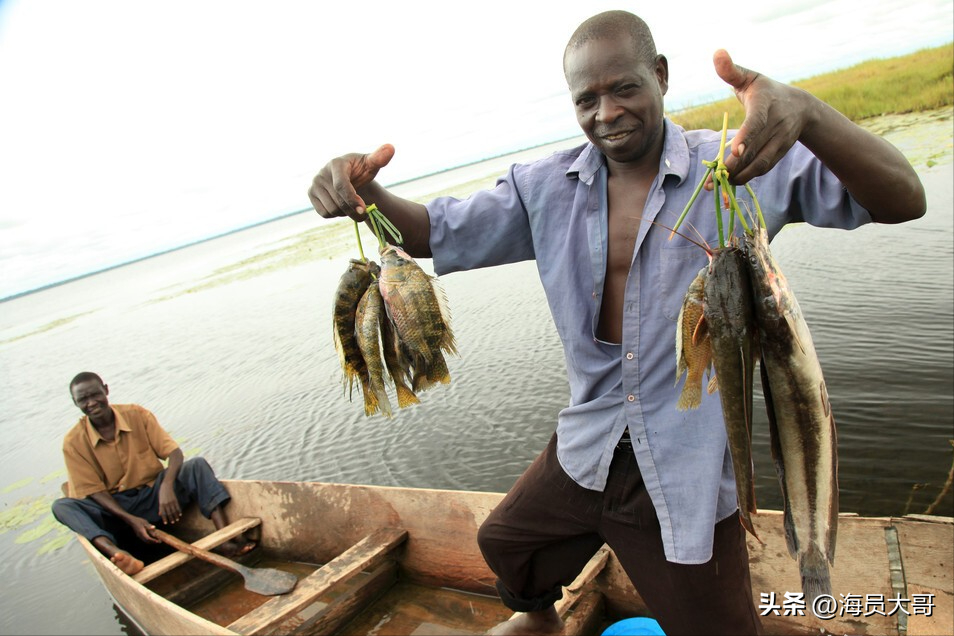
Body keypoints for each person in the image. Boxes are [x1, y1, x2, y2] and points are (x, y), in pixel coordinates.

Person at [307, 10, 925, 636]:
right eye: (587, 99)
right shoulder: (543, 187)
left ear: (659, 76)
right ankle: (538, 618)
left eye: (625, 88)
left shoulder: (739, 166)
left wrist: (811, 116)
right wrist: (365, 194)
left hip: (683, 461)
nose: (607, 112)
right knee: (505, 543)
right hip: (591, 439)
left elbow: (902, 198)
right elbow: (429, 231)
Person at [52, 372, 255, 576]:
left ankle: (226, 538)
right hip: (116, 511)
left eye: (95, 395)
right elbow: (95, 492)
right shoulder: (74, 442)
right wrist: (131, 519)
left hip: (155, 498)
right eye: (83, 400)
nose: (92, 403)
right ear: (75, 402)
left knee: (196, 466)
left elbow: (174, 453)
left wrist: (167, 487)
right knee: (63, 506)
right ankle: (119, 554)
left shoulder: (136, 415)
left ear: (106, 389)